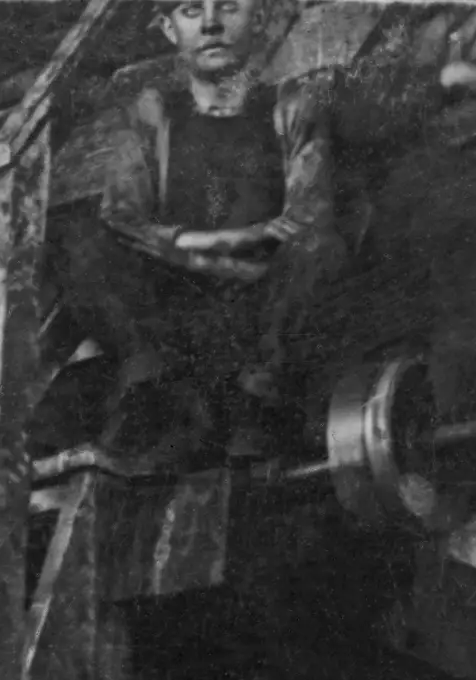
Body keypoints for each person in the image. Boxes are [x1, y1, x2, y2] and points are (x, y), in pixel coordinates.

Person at [51, 0, 347, 469]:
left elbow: (306, 217)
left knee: (319, 247)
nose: (211, 23)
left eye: (228, 7)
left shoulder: (290, 105)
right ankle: (160, 397)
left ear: (260, 19)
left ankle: (258, 402)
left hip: (262, 305)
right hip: (179, 316)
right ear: (169, 28)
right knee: (85, 244)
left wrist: (191, 246)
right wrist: (211, 248)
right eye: (191, 10)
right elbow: (123, 217)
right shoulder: (153, 114)